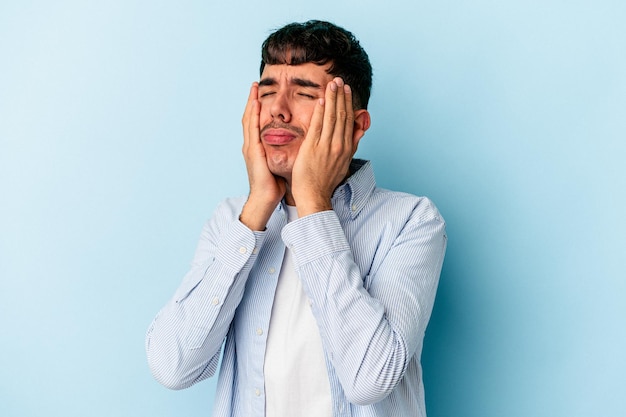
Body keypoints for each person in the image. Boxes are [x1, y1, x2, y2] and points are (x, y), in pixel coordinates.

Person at [146, 20, 447, 417]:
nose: (277, 110)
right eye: (267, 91)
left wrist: (312, 201)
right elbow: (173, 366)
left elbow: (370, 378)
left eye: (304, 93)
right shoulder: (230, 220)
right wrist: (256, 209)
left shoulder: (411, 221)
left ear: (356, 126)